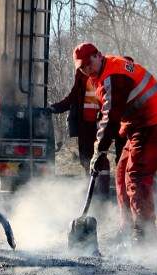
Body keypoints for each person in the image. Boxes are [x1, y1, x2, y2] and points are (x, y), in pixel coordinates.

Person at [72, 43, 157, 244]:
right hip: (137, 126)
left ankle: (144, 235)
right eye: (82, 67)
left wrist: (99, 151)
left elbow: (111, 117)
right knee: (121, 175)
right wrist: (100, 149)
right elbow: (107, 112)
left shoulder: (113, 76)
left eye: (88, 64)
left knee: (136, 176)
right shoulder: (101, 75)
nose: (86, 69)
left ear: (98, 55)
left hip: (152, 123)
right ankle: (127, 228)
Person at [43, 69, 123, 202]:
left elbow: (111, 101)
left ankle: (102, 193)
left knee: (100, 157)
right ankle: (92, 191)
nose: (86, 68)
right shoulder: (81, 79)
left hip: (99, 126)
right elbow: (71, 99)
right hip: (84, 126)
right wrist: (54, 108)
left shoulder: (104, 77)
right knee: (86, 158)